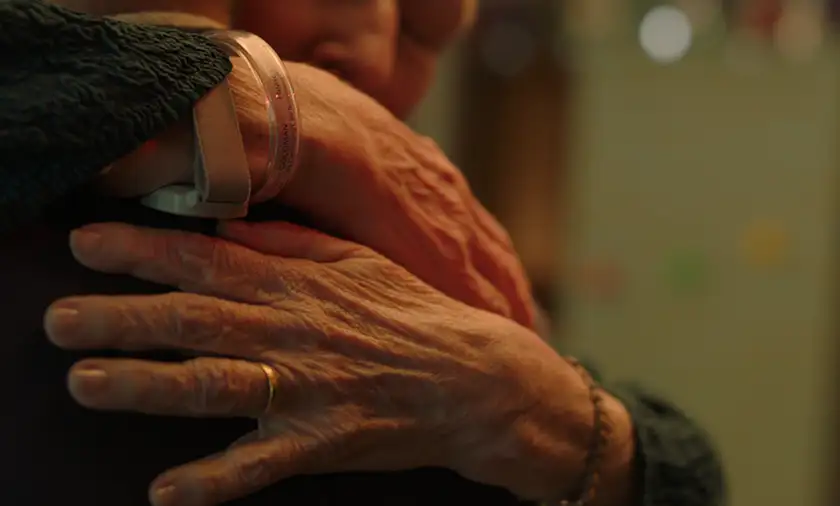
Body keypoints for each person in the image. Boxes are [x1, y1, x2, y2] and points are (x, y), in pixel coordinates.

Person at [3, 2, 724, 505]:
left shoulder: (420, 255)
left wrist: (541, 409)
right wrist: (284, 113)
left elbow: (684, 469)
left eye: (424, 34)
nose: (373, 56)